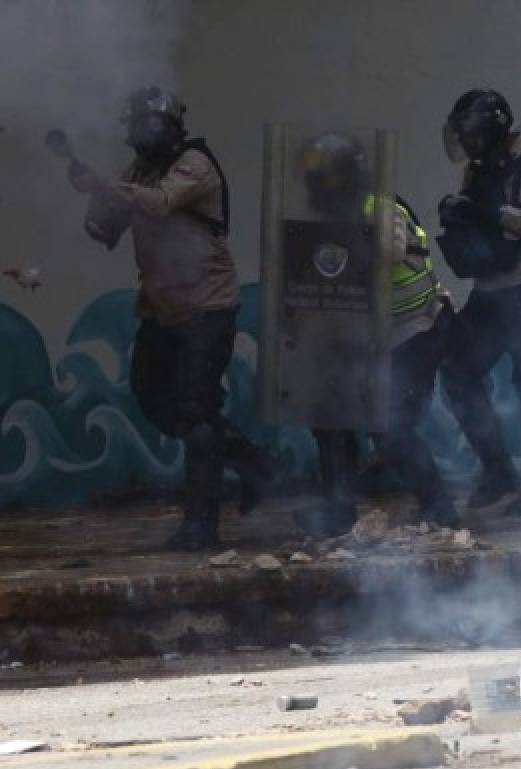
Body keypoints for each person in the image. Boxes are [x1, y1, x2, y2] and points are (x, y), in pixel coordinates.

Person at [68, 87, 272, 550]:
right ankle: (253, 461)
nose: (144, 134)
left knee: (196, 410)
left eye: (150, 125)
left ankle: (202, 526)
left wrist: (104, 184)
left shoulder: (194, 164)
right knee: (152, 396)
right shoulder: (141, 170)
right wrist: (90, 193)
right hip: (162, 309)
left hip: (207, 306)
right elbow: (106, 229)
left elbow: (159, 202)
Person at [291, 133, 459, 534]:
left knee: (391, 427)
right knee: (331, 416)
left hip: (417, 330)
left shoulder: (379, 207)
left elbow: (391, 249)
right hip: (371, 337)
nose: (316, 185)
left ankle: (440, 509)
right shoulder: (332, 216)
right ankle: (338, 511)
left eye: (324, 176)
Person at [437, 89, 521, 516]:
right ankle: (497, 471)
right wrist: (460, 216)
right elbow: (479, 214)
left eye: (474, 134)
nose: (470, 144)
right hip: (490, 290)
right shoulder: (477, 169)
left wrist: (499, 214)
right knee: (458, 372)